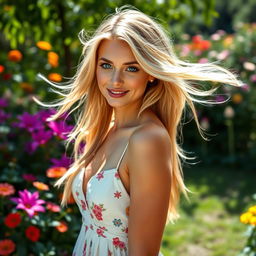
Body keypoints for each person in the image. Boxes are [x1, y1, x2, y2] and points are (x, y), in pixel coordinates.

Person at [36, 5, 241, 256]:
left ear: (151, 73)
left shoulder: (147, 140)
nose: (115, 80)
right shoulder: (107, 129)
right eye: (106, 65)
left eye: (131, 68)